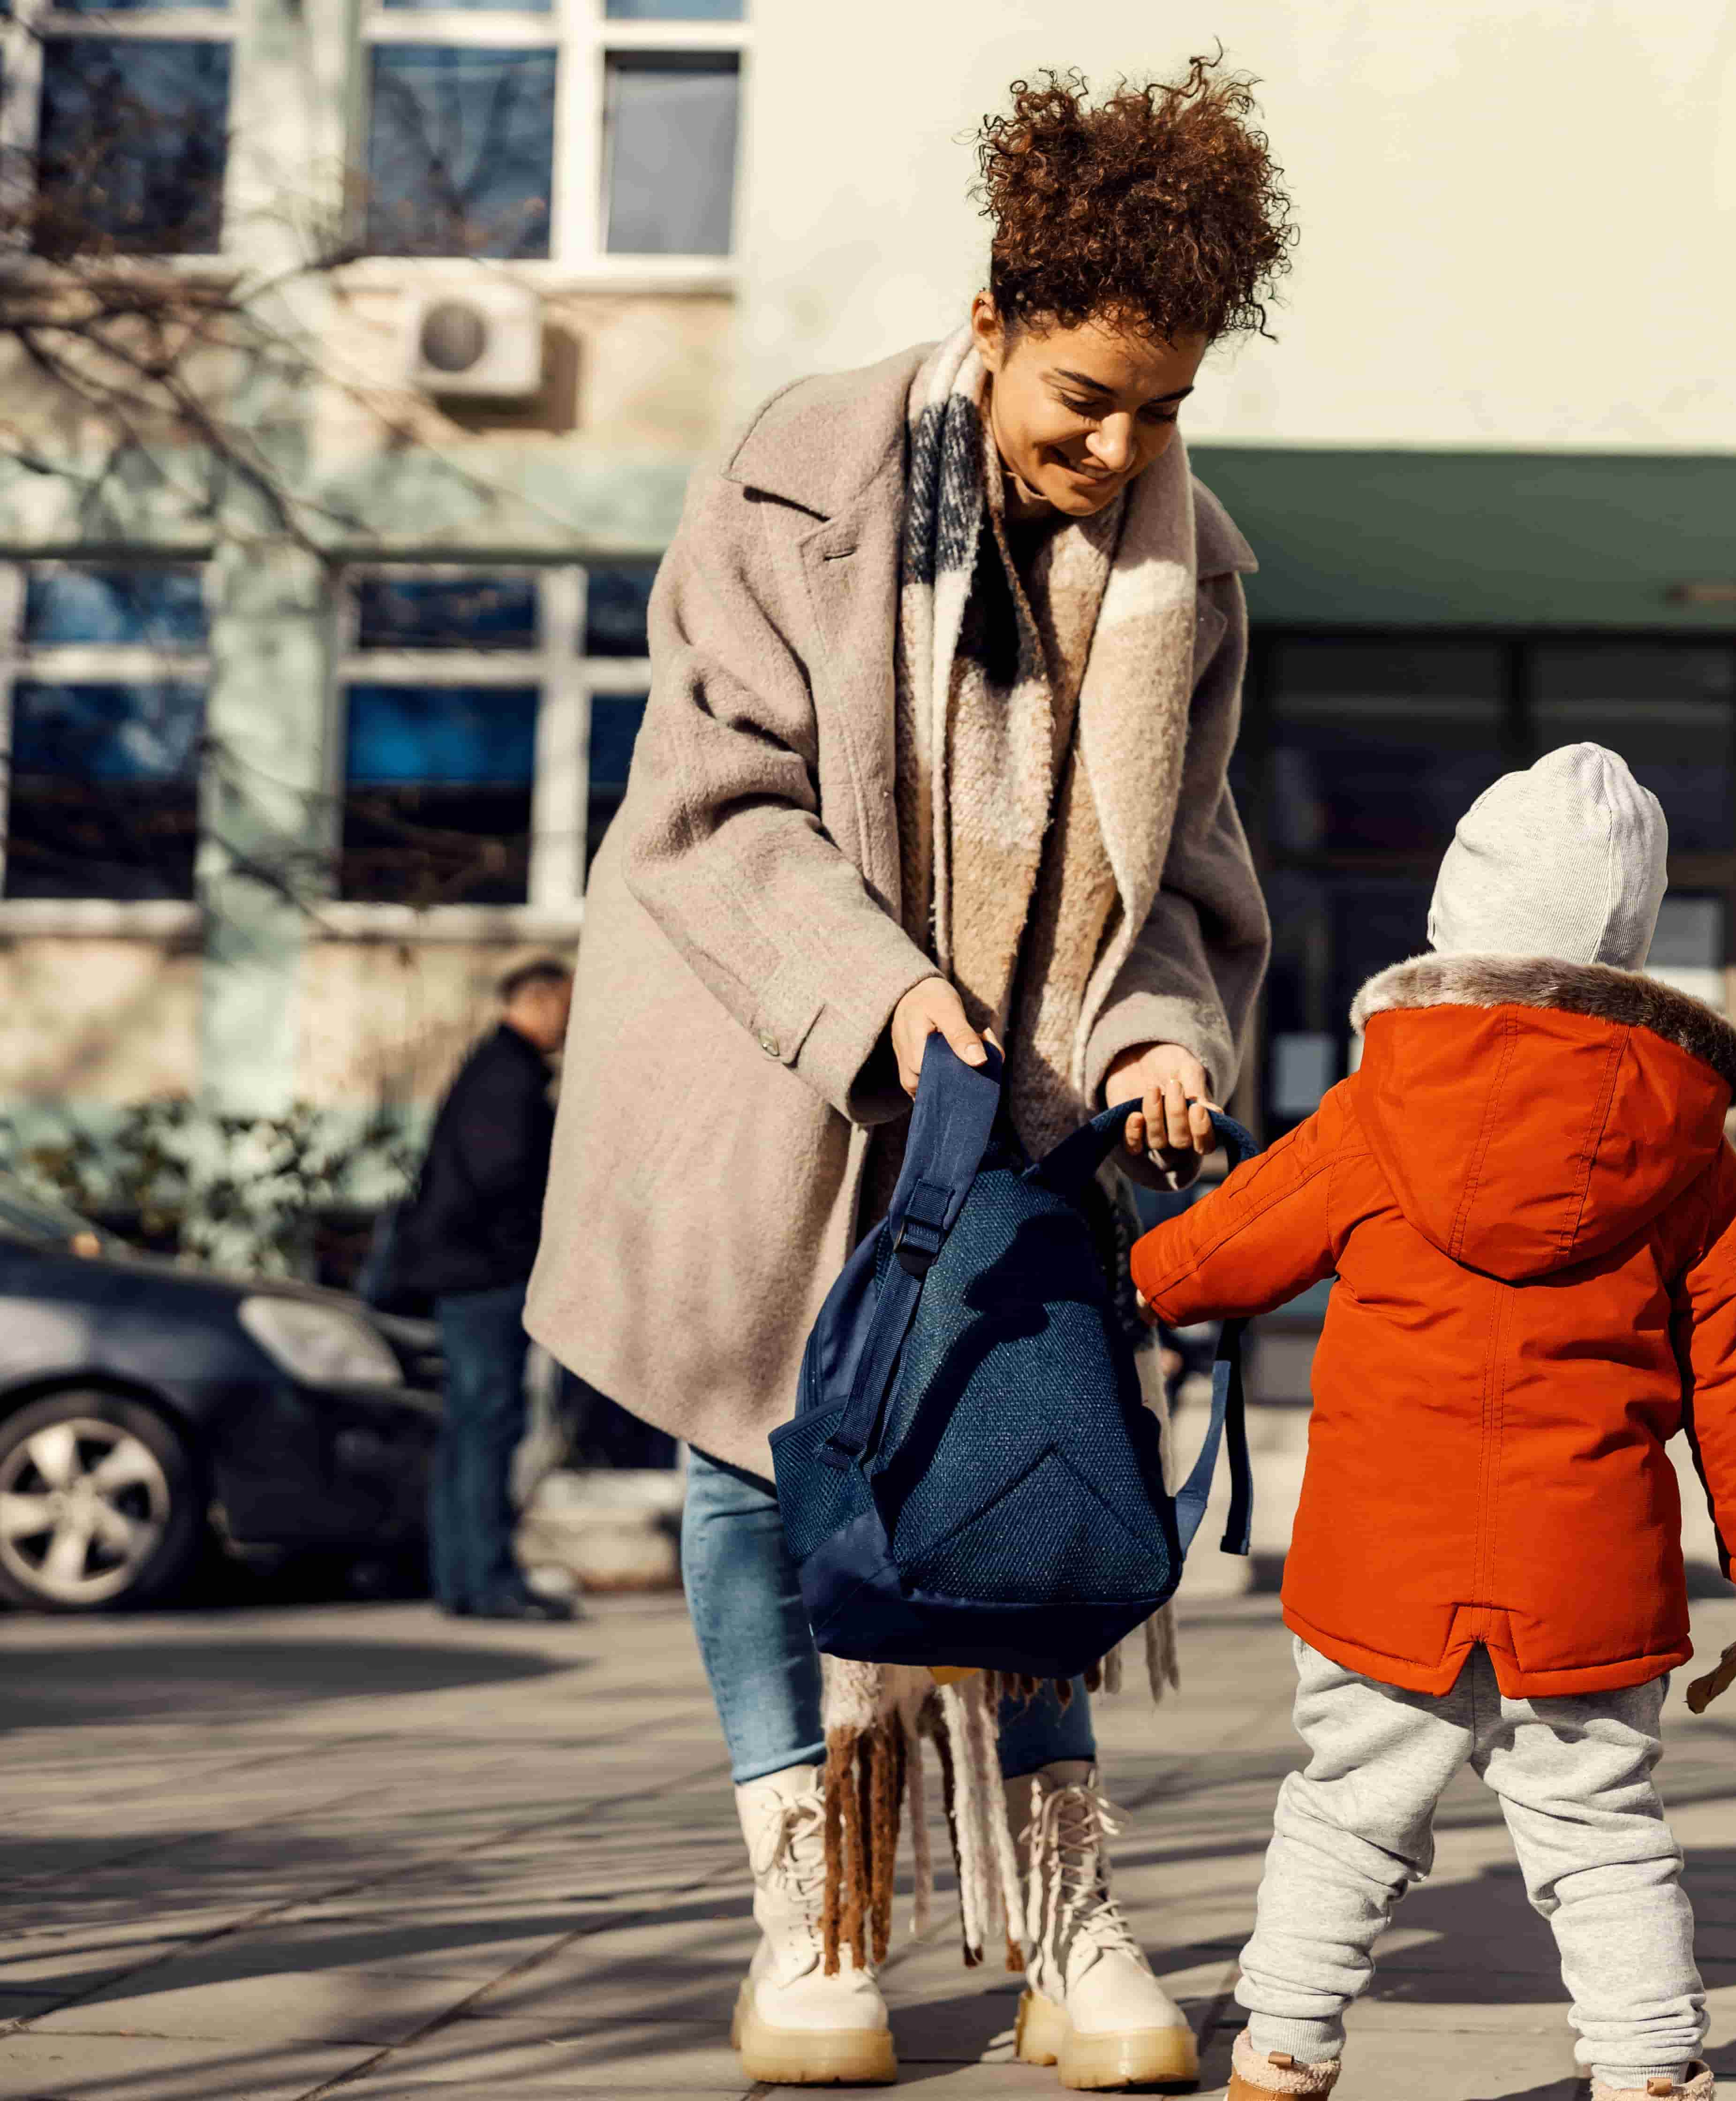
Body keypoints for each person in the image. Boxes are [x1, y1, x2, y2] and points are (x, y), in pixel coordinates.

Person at [524, 56, 1285, 2091]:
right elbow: (711, 799)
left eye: (1165, 407)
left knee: (1028, 1462)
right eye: (1083, 400)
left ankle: (1059, 1912)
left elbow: (1190, 880)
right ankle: (820, 1908)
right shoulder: (805, 480)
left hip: (1011, 1117)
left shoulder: (1192, 574)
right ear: (991, 323)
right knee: (749, 1461)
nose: (1119, 445)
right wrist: (878, 996)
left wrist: (1154, 1048)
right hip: (767, 1058)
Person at [1131, 746, 1736, 2101]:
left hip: (1379, 1561)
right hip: (1587, 1572)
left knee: (1345, 1809)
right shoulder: (1693, 1156)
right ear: (1626, 940)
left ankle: (1281, 2047)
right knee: (1604, 1834)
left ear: (1458, 912)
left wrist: (1133, 1248)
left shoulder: (1375, 1112)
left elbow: (1202, 1265)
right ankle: (1647, 2071)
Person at [417, 956, 577, 1624]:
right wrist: (532, 1254)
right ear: (538, 1003)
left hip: (468, 1274)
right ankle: (484, 1580)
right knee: (487, 1425)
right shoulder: (506, 1079)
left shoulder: (492, 1069)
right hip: (485, 1278)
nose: (573, 1018)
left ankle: (464, 1578)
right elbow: (502, 1181)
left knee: (471, 1427)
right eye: (568, 1004)